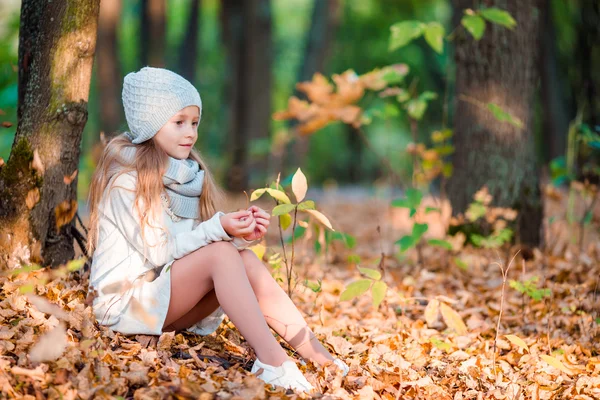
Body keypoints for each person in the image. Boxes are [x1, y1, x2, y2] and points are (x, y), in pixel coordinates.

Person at [86, 67, 348, 393]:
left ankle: (320, 357)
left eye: (194, 122)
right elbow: (159, 252)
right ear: (150, 125)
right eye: (178, 122)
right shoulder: (127, 182)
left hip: (163, 300)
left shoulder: (188, 175)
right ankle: (274, 362)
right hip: (125, 305)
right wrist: (218, 230)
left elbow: (195, 248)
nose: (190, 132)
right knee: (222, 254)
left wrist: (236, 233)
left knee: (244, 258)